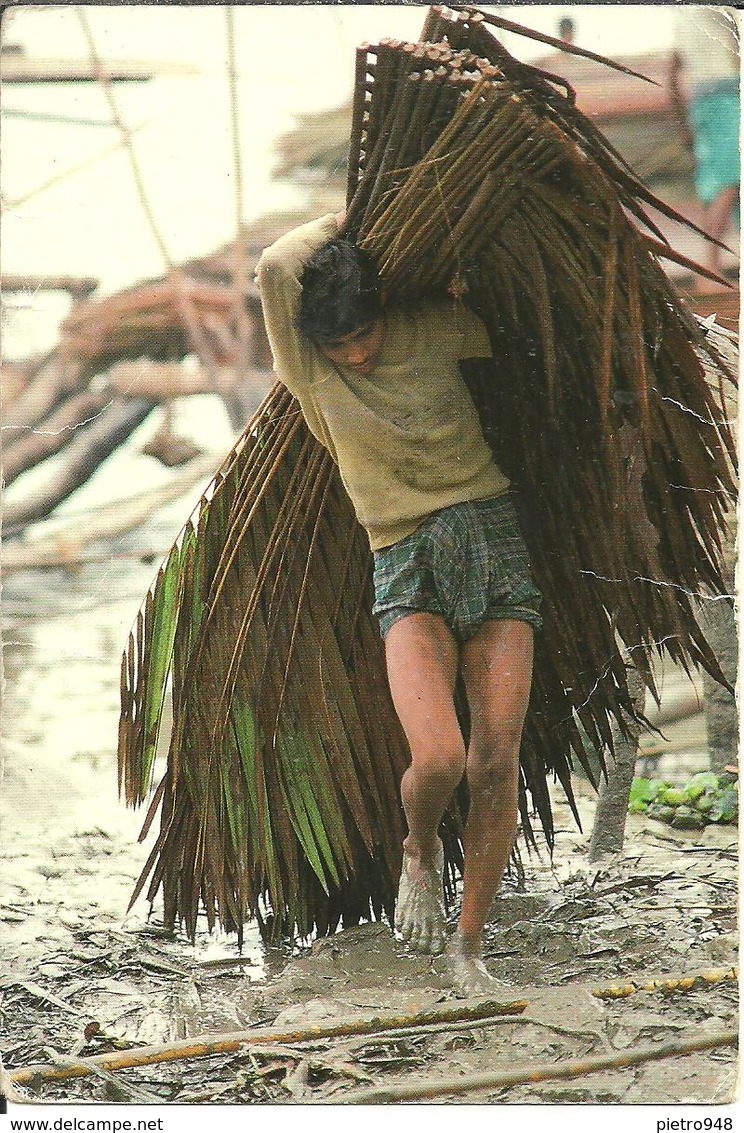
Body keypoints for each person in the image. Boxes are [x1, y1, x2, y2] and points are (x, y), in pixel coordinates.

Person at [255, 212, 542, 996]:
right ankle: (419, 850)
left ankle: (470, 944)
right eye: (340, 344)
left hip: (491, 535)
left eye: (364, 334)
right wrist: (362, 212)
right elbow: (280, 264)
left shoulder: (432, 323)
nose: (356, 351)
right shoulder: (313, 372)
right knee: (441, 757)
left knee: (493, 762)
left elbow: (511, 327)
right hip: (402, 556)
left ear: (382, 310)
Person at [669, 7, 740, 288]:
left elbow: (673, 67)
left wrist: (681, 120)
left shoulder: (683, 15)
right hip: (727, 92)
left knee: (715, 181)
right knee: (730, 177)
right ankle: (709, 264)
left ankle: (711, 263)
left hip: (702, 98)